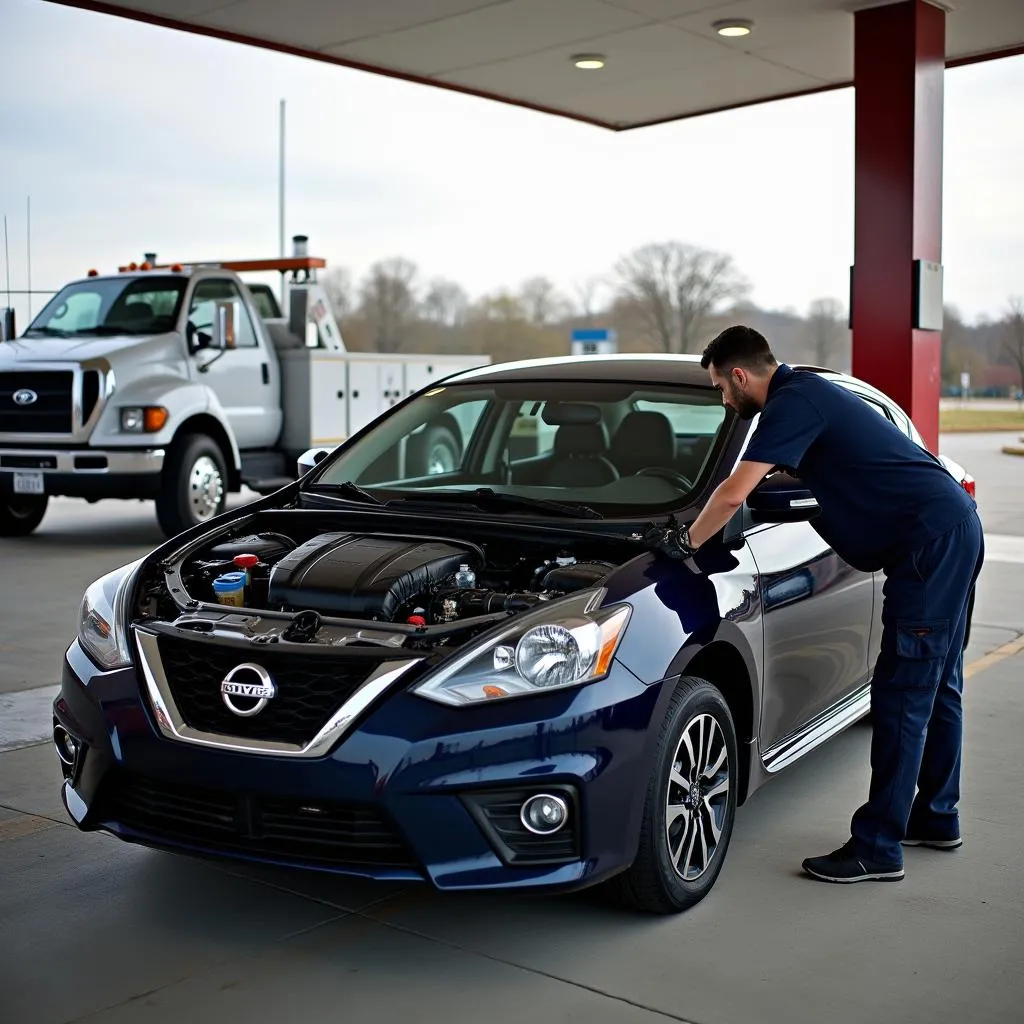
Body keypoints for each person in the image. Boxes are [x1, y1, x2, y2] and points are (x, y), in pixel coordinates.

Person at [648, 325, 984, 884]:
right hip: (949, 531)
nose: (726, 402)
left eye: (723, 390)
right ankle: (937, 816)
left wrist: (685, 544)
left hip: (928, 548)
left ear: (740, 374)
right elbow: (791, 470)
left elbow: (733, 490)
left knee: (903, 694)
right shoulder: (807, 397)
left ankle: (878, 848)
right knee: (939, 682)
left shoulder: (790, 401)